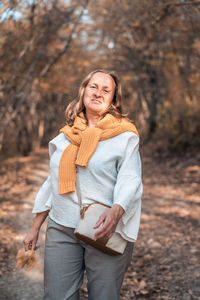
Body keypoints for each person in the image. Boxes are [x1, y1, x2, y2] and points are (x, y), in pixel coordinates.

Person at [23, 69, 143, 300]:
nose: (98, 93)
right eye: (93, 87)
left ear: (113, 99)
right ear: (84, 91)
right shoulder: (65, 136)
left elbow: (131, 178)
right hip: (61, 228)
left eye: (106, 90)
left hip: (103, 228)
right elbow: (53, 182)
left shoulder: (125, 136)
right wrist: (35, 226)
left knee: (103, 296)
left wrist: (116, 212)